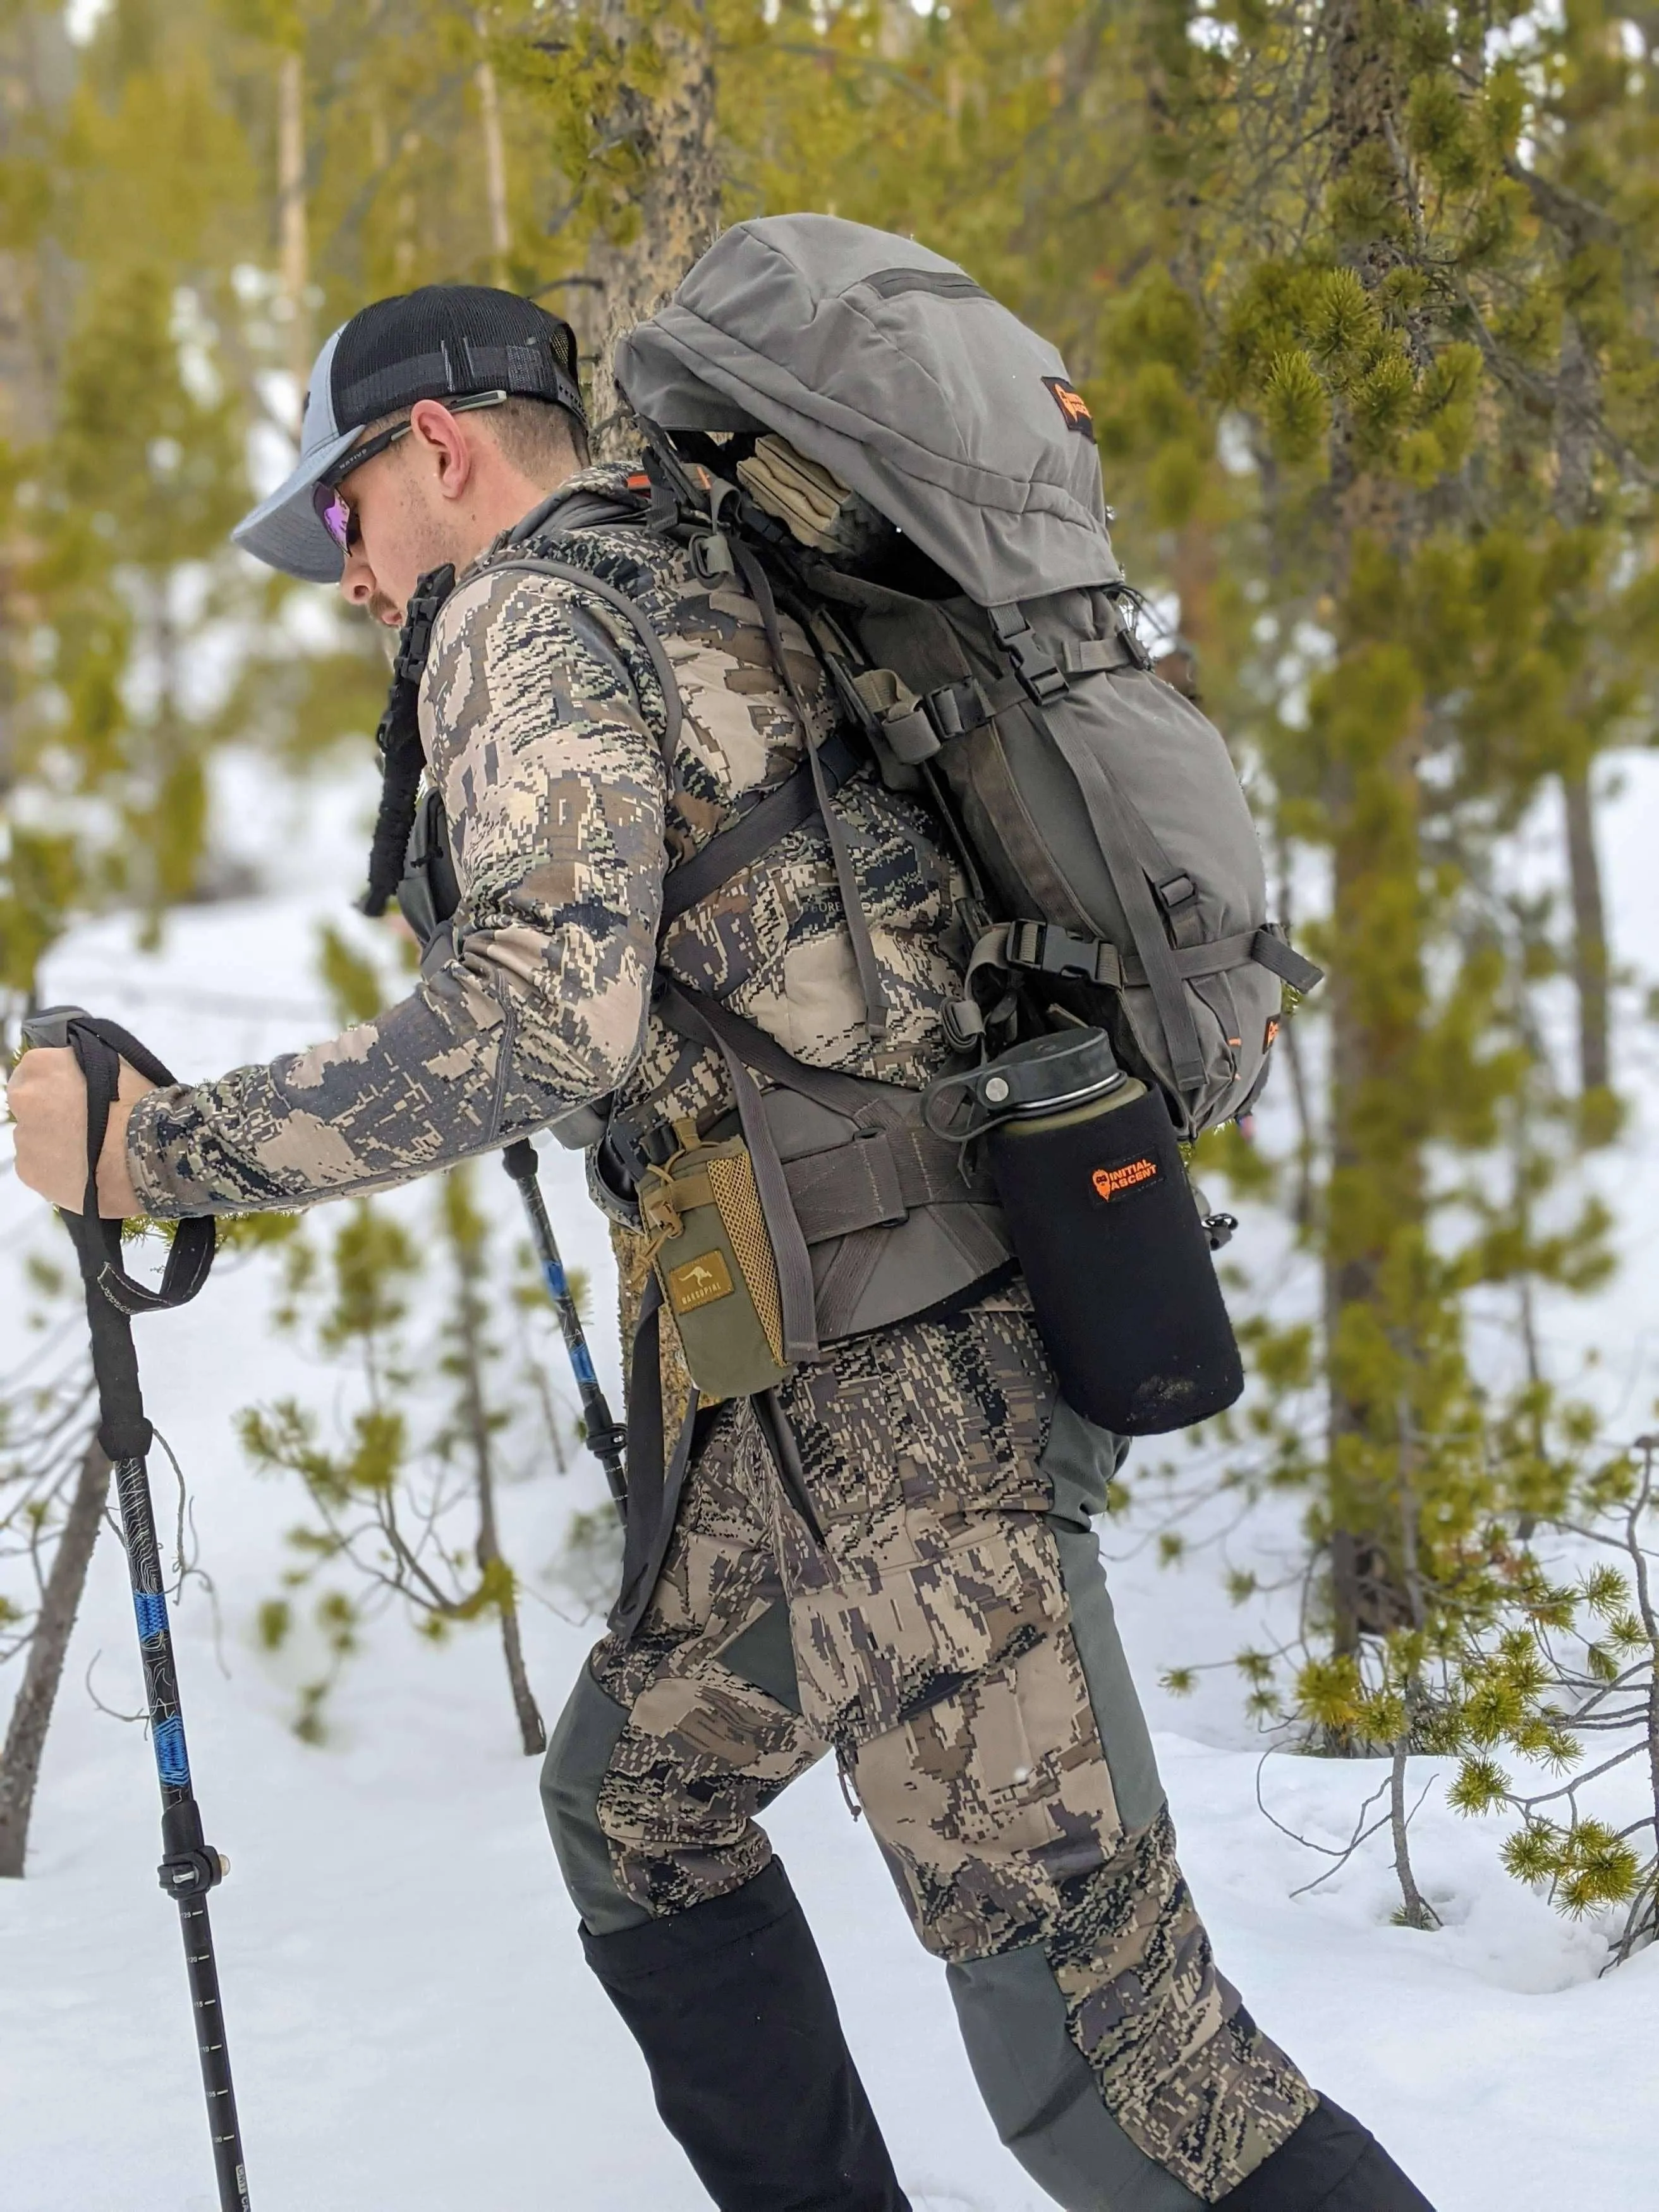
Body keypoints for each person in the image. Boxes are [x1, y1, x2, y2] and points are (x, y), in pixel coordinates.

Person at [8, 274, 1435, 2212]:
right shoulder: (698, 567)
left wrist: (153, 1150)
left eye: (342, 521)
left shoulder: (522, 612)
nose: (343, 581)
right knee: (641, 1807)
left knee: (1124, 2069)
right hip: (820, 1384)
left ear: (437, 448)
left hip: (909, 1408)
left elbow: (540, 1018)